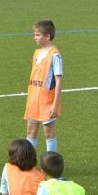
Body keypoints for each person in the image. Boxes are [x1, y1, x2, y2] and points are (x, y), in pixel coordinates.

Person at [24, 20, 63, 153]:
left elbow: (58, 80)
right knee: (31, 131)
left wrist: (55, 104)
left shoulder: (55, 55)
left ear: (47, 36)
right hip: (34, 99)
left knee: (48, 133)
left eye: (37, 35)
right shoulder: (36, 53)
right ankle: (29, 163)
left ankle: (50, 165)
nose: (34, 37)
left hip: (47, 101)